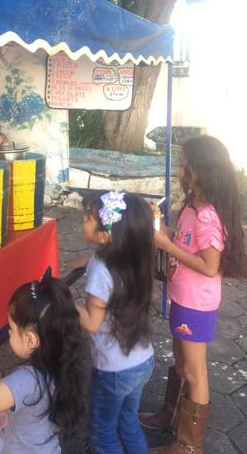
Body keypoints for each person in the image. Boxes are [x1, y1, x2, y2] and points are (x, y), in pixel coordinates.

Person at [140, 135, 246, 454]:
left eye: (184, 164)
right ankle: (169, 415)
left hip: (196, 304)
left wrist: (168, 246)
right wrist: (162, 230)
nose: (179, 169)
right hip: (182, 297)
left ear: (202, 169)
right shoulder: (192, 207)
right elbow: (185, 242)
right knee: (181, 363)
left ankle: (188, 444)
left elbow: (209, 265)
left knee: (194, 371)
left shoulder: (208, 215)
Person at [0, 268, 87, 453]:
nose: (8, 333)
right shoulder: (62, 364)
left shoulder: (29, 381)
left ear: (31, 340)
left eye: (12, 328)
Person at [74, 191, 155, 454]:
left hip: (114, 370)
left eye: (88, 217)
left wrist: (66, 301)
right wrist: (88, 260)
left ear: (105, 235)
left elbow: (91, 323)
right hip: (142, 361)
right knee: (129, 424)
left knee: (103, 433)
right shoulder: (135, 257)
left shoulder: (101, 269)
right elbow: (105, 258)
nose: (83, 220)